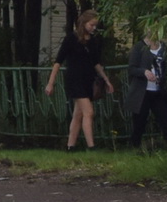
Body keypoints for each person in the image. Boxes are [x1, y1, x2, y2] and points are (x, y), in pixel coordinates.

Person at [45, 9, 115, 151]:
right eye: (91, 25)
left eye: (95, 25)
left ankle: (71, 146)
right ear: (83, 23)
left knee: (78, 114)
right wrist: (50, 83)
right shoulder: (71, 39)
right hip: (74, 80)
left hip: (87, 80)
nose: (93, 28)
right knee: (89, 112)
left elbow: (96, 63)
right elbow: (58, 62)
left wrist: (106, 80)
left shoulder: (93, 41)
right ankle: (91, 146)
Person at [126, 31, 167, 150]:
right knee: (140, 122)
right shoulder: (139, 47)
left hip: (158, 91)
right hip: (143, 92)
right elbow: (131, 68)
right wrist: (144, 72)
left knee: (166, 119)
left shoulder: (163, 47)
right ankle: (134, 146)